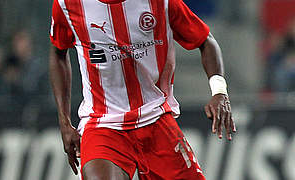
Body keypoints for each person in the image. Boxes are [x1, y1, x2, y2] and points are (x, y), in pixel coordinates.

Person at [49, 0, 236, 179]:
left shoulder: (161, 2)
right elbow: (58, 53)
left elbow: (205, 40)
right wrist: (64, 123)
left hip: (156, 120)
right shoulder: (68, 4)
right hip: (103, 125)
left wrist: (219, 91)